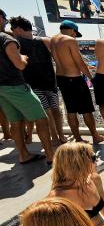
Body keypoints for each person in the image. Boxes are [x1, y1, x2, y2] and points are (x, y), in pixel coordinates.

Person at [0, 9, 54, 164]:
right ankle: (51, 155)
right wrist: (23, 58)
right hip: (15, 85)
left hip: (2, 89)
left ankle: (23, 154)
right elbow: (20, 65)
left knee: (15, 122)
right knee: (41, 118)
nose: (6, 23)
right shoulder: (6, 39)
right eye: (5, 19)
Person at [9, 16, 67, 146]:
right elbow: (58, 61)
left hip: (41, 82)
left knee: (52, 111)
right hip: (42, 82)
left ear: (18, 29)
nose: (12, 31)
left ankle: (58, 136)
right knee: (50, 111)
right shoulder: (43, 41)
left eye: (13, 29)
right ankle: (57, 136)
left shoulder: (19, 43)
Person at [50, 20, 104, 144]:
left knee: (71, 110)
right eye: (75, 33)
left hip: (61, 78)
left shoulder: (53, 40)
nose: (75, 36)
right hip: (74, 78)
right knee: (86, 110)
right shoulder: (70, 40)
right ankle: (95, 136)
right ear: (72, 30)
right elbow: (79, 62)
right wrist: (92, 78)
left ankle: (78, 138)